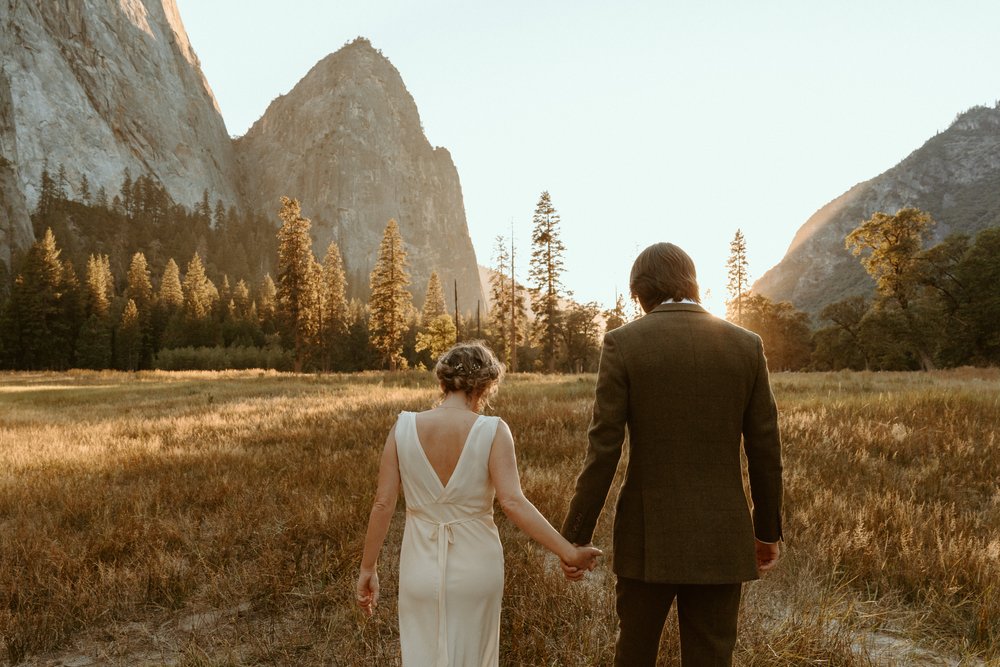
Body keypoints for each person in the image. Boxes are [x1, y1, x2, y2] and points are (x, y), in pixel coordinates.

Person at [560, 242, 784, 667]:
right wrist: (767, 530)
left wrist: (575, 535)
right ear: (692, 283)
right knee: (712, 656)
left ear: (639, 292)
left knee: (635, 652)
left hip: (647, 535)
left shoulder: (623, 344)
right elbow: (765, 449)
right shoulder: (746, 345)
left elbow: (603, 448)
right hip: (722, 534)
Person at [356, 341, 602, 666]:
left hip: (419, 567)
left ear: (443, 381)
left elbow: (383, 504)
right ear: (485, 384)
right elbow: (513, 502)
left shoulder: (403, 428)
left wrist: (368, 568)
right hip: (477, 569)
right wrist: (568, 552)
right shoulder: (493, 430)